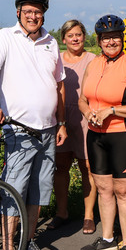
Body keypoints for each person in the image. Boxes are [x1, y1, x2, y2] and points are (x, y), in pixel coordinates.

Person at [0, 0, 67, 250]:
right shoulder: (5, 37)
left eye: (38, 11)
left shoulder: (51, 42)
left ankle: (28, 240)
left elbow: (59, 85)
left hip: (48, 130)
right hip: (18, 130)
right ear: (18, 12)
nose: (33, 16)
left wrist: (62, 122)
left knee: (39, 192)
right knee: (12, 193)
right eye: (28, 11)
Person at [78, 15, 126, 250]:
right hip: (96, 135)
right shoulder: (93, 64)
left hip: (123, 134)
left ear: (122, 39)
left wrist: (113, 110)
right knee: (104, 188)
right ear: (99, 41)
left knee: (124, 190)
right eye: (106, 38)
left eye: (115, 37)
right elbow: (82, 100)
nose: (111, 41)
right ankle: (107, 238)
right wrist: (88, 113)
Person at [49, 19, 97, 234]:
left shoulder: (93, 60)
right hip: (61, 118)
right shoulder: (56, 60)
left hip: (86, 118)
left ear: (84, 36)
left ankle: (88, 215)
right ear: (63, 39)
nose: (75, 39)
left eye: (78, 34)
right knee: (61, 166)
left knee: (87, 167)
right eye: (70, 36)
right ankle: (62, 213)